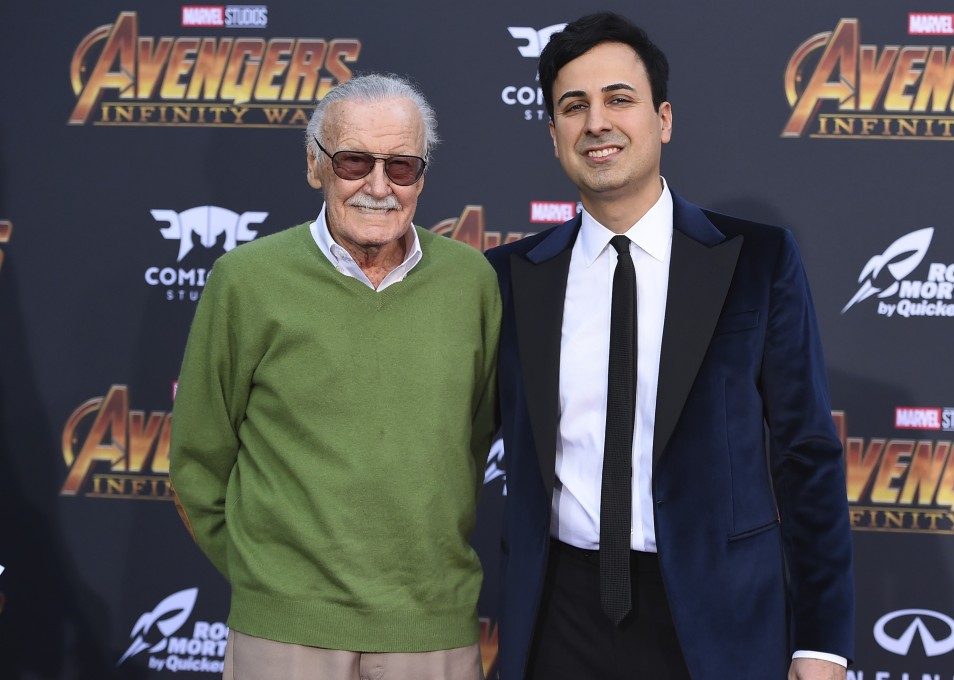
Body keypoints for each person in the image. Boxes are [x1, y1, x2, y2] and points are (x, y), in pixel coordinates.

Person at [485, 13, 854, 680]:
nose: (597, 122)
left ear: (664, 119)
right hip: (555, 622)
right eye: (574, 106)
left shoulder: (757, 260)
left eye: (619, 99)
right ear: (554, 135)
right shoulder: (509, 279)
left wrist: (821, 642)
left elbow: (806, 454)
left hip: (720, 625)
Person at [169, 73, 500, 680]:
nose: (378, 186)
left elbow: (473, 440)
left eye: (401, 167)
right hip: (284, 630)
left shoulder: (472, 281)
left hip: (432, 627)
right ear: (314, 166)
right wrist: (269, 580)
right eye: (353, 162)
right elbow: (197, 459)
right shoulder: (246, 280)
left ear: (422, 176)